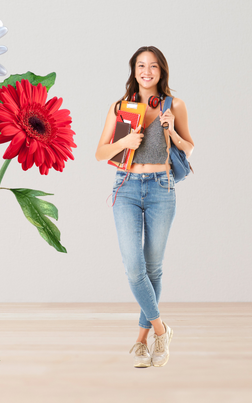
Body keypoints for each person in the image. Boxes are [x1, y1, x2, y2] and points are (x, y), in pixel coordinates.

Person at [95, 46, 194, 368]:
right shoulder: (121, 107)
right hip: (125, 187)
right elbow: (100, 153)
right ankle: (161, 330)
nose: (147, 71)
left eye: (153, 66)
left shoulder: (174, 105)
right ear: (133, 70)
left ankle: (140, 342)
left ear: (162, 71)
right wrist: (124, 143)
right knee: (134, 267)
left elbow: (189, 148)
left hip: (161, 188)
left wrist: (171, 131)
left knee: (153, 268)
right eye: (141, 65)